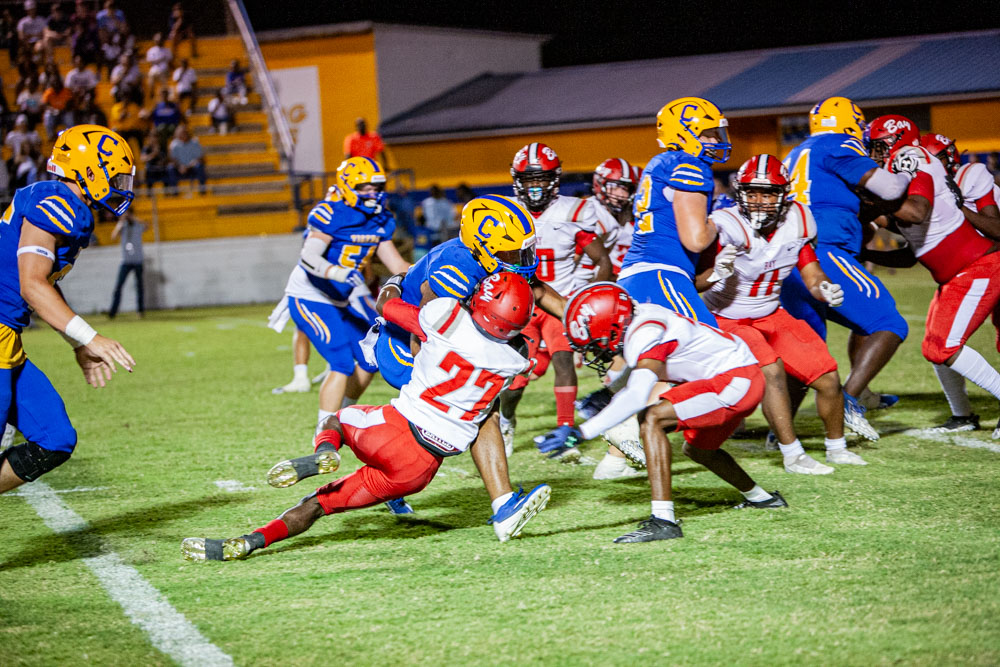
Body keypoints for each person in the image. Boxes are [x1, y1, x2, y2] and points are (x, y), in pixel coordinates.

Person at [182, 273, 550, 561]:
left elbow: (388, 305)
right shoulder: (513, 361)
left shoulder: (446, 315)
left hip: (395, 430)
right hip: (419, 471)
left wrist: (396, 281)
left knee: (336, 420)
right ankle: (250, 542)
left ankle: (325, 452)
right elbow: (506, 347)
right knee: (321, 504)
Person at [368, 194, 564, 519]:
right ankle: (502, 504)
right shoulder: (455, 268)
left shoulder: (491, 258)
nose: (521, 259)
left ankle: (388, 480)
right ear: (483, 248)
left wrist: (578, 317)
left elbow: (537, 290)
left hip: (439, 341)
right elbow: (425, 329)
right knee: (471, 412)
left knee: (477, 409)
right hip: (405, 346)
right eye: (511, 252)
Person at [562, 283, 786, 543]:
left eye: (594, 341)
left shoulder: (646, 332)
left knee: (652, 418)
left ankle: (663, 521)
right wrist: (609, 392)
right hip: (736, 376)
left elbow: (637, 395)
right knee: (698, 450)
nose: (594, 350)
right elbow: (638, 368)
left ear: (611, 325)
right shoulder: (639, 321)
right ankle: (762, 498)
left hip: (735, 380)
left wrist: (582, 432)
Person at [696, 154, 875, 475]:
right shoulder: (724, 224)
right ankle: (793, 455)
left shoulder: (800, 219)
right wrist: (715, 273)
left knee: (827, 376)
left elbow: (811, 271)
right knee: (772, 371)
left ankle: (837, 448)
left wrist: (824, 288)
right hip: (726, 317)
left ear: (783, 195)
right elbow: (694, 283)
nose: (759, 201)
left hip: (770, 312)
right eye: (751, 193)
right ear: (740, 193)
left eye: (767, 194)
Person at [0, 124, 136, 496]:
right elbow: (32, 284)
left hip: (7, 336)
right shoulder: (58, 200)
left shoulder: (65, 203)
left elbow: (43, 282)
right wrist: (90, 336)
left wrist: (77, 343)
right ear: (90, 170)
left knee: (54, 437)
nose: (121, 186)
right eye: (115, 176)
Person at [779, 97, 913, 426]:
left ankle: (781, 432)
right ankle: (849, 402)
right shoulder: (838, 144)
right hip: (824, 250)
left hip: (789, 258)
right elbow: (890, 188)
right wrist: (907, 173)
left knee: (806, 351)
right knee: (888, 323)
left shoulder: (795, 153)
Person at [868, 115, 1000, 440]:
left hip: (978, 265)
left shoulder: (910, 158)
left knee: (944, 346)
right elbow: (911, 246)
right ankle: (962, 414)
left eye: (879, 145)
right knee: (934, 346)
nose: (875, 153)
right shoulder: (904, 173)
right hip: (957, 273)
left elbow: (915, 212)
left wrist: (868, 200)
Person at [500, 142, 612, 462]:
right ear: (517, 181)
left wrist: (588, 298)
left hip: (556, 300)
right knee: (517, 375)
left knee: (563, 361)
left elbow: (602, 259)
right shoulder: (505, 211)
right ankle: (506, 419)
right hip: (519, 302)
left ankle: (565, 430)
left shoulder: (574, 211)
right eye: (529, 179)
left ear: (555, 179)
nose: (535, 186)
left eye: (541, 178)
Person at [618, 96, 731, 326]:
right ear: (682, 136)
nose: (716, 140)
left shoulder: (663, 163)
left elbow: (690, 274)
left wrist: (718, 270)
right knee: (715, 344)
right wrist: (722, 217)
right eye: (708, 134)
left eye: (716, 133)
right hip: (659, 275)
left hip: (644, 276)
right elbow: (696, 240)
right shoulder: (689, 165)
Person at [919, 133, 1000, 432]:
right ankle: (962, 414)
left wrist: (959, 209)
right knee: (936, 340)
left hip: (988, 261)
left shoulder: (970, 175)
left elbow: (997, 230)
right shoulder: (925, 190)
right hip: (971, 267)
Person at [108, 212, 146, 318]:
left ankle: (140, 311)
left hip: (138, 261)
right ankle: (113, 312)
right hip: (126, 261)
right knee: (119, 286)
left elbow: (146, 226)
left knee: (139, 287)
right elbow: (113, 236)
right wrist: (120, 222)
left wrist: (134, 218)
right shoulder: (122, 227)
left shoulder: (138, 225)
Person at [166, 124, 205, 194]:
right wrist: (179, 166)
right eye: (180, 133)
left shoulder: (195, 143)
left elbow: (200, 158)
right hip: (179, 169)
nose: (182, 135)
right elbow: (172, 159)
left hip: (192, 168)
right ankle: (175, 193)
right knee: (170, 168)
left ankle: (202, 191)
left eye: (184, 133)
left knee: (199, 166)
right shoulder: (174, 144)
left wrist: (188, 166)